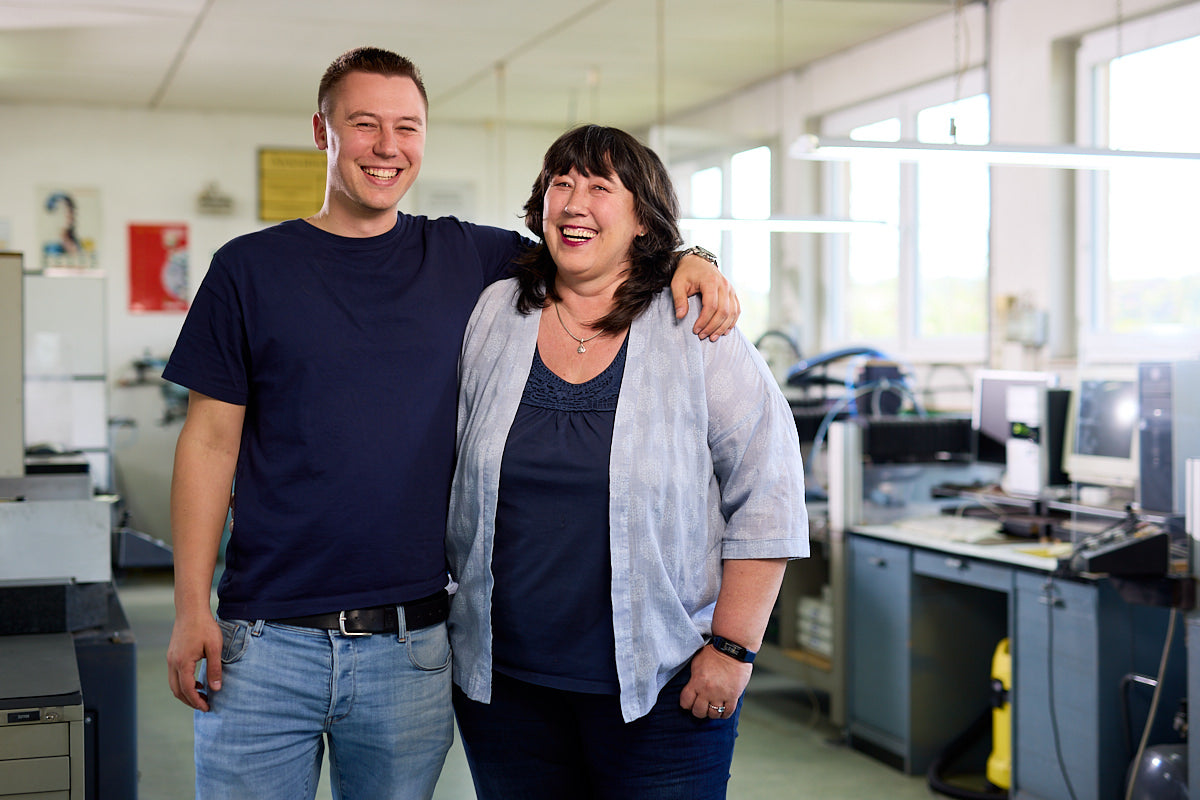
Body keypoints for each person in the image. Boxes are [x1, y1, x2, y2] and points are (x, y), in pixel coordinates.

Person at [162, 48, 738, 800]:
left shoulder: (472, 259)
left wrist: (694, 257)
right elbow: (209, 442)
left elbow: (596, 247)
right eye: (363, 123)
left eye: (407, 126)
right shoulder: (249, 268)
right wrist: (188, 605)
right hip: (263, 640)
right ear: (322, 130)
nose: (387, 146)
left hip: (412, 646)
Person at [446, 124, 809, 799]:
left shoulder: (691, 323)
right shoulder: (496, 312)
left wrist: (732, 651)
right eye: (562, 183)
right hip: (507, 688)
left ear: (642, 220)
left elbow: (770, 491)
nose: (574, 202)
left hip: (664, 684)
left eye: (599, 187)